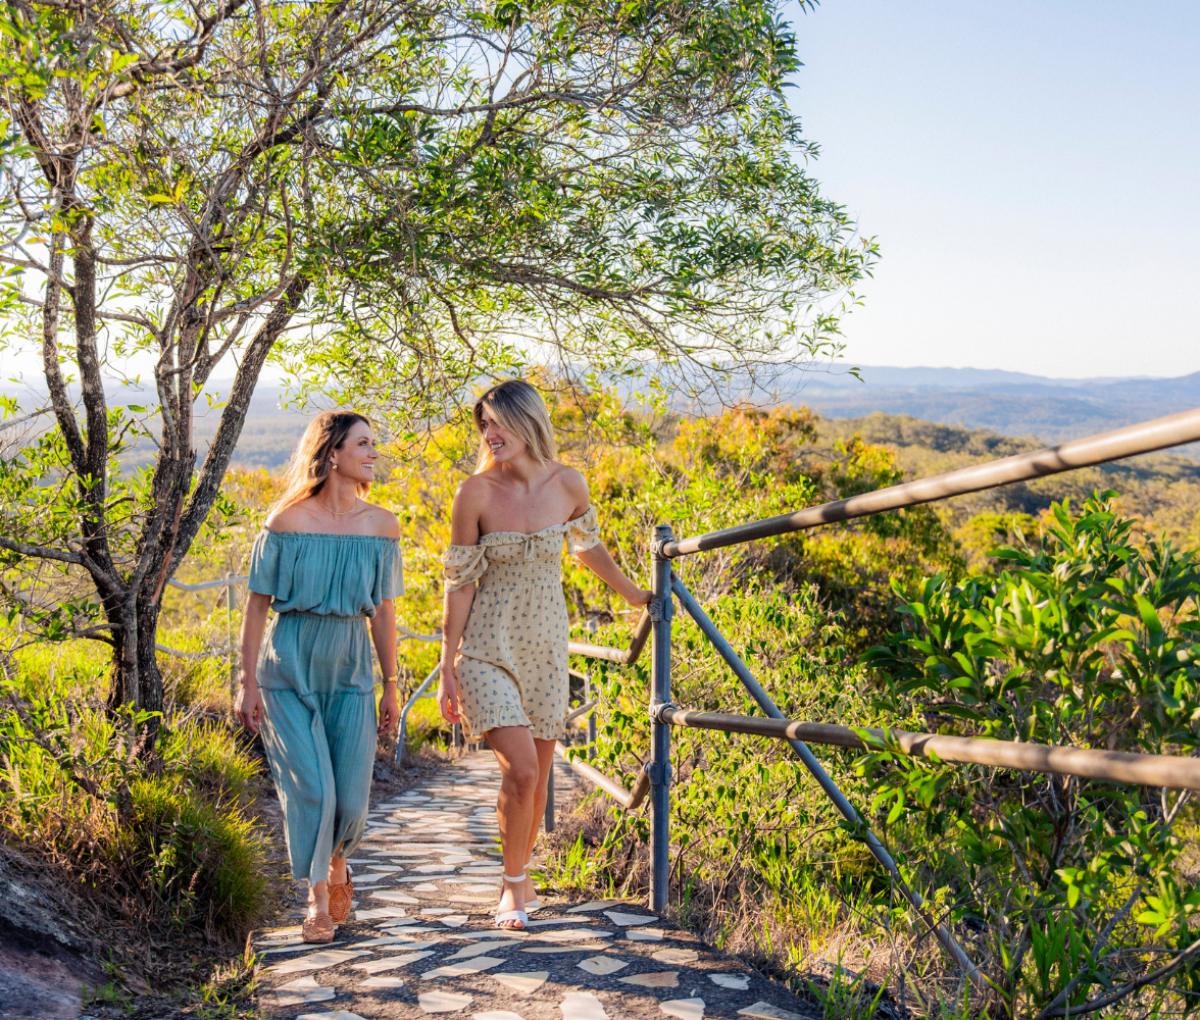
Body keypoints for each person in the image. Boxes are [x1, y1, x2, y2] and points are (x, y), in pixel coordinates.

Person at [438, 380, 651, 929]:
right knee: (522, 770)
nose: (489, 433)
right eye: (483, 424)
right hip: (487, 649)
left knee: (539, 774)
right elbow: (459, 582)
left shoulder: (568, 483)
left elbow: (586, 547)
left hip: (547, 648)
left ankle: (520, 869)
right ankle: (511, 889)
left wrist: (634, 595)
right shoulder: (475, 493)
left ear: (528, 422)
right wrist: (446, 665)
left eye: (497, 422)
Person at [235, 411, 403, 943]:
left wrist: (393, 684)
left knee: (351, 800)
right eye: (364, 444)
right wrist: (247, 681)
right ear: (333, 454)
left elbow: (385, 613)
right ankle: (316, 900)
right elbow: (256, 609)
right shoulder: (285, 522)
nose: (373, 453)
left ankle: (337, 866)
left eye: (373, 444)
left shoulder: (382, 525)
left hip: (351, 667)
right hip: (288, 664)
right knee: (311, 789)